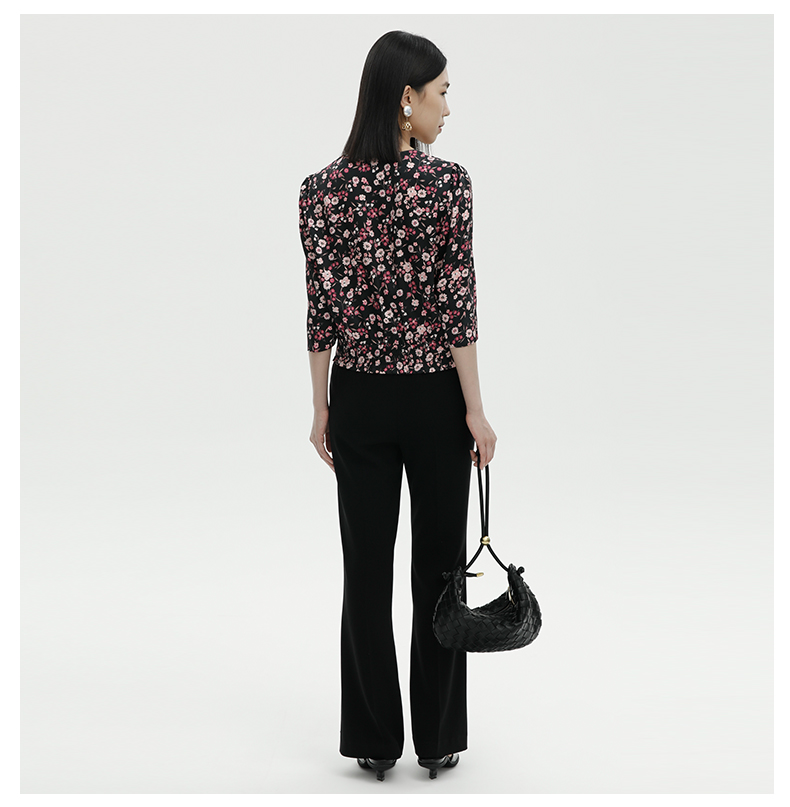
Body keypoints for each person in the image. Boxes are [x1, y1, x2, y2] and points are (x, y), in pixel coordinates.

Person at [298, 30, 497, 782]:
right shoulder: (448, 185)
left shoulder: (320, 191)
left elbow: (321, 311)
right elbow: (457, 308)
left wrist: (320, 405)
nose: (449, 108)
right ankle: (438, 736)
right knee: (440, 571)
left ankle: (373, 739)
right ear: (406, 98)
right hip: (434, 398)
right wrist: (475, 409)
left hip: (358, 398)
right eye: (442, 92)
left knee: (366, 572)